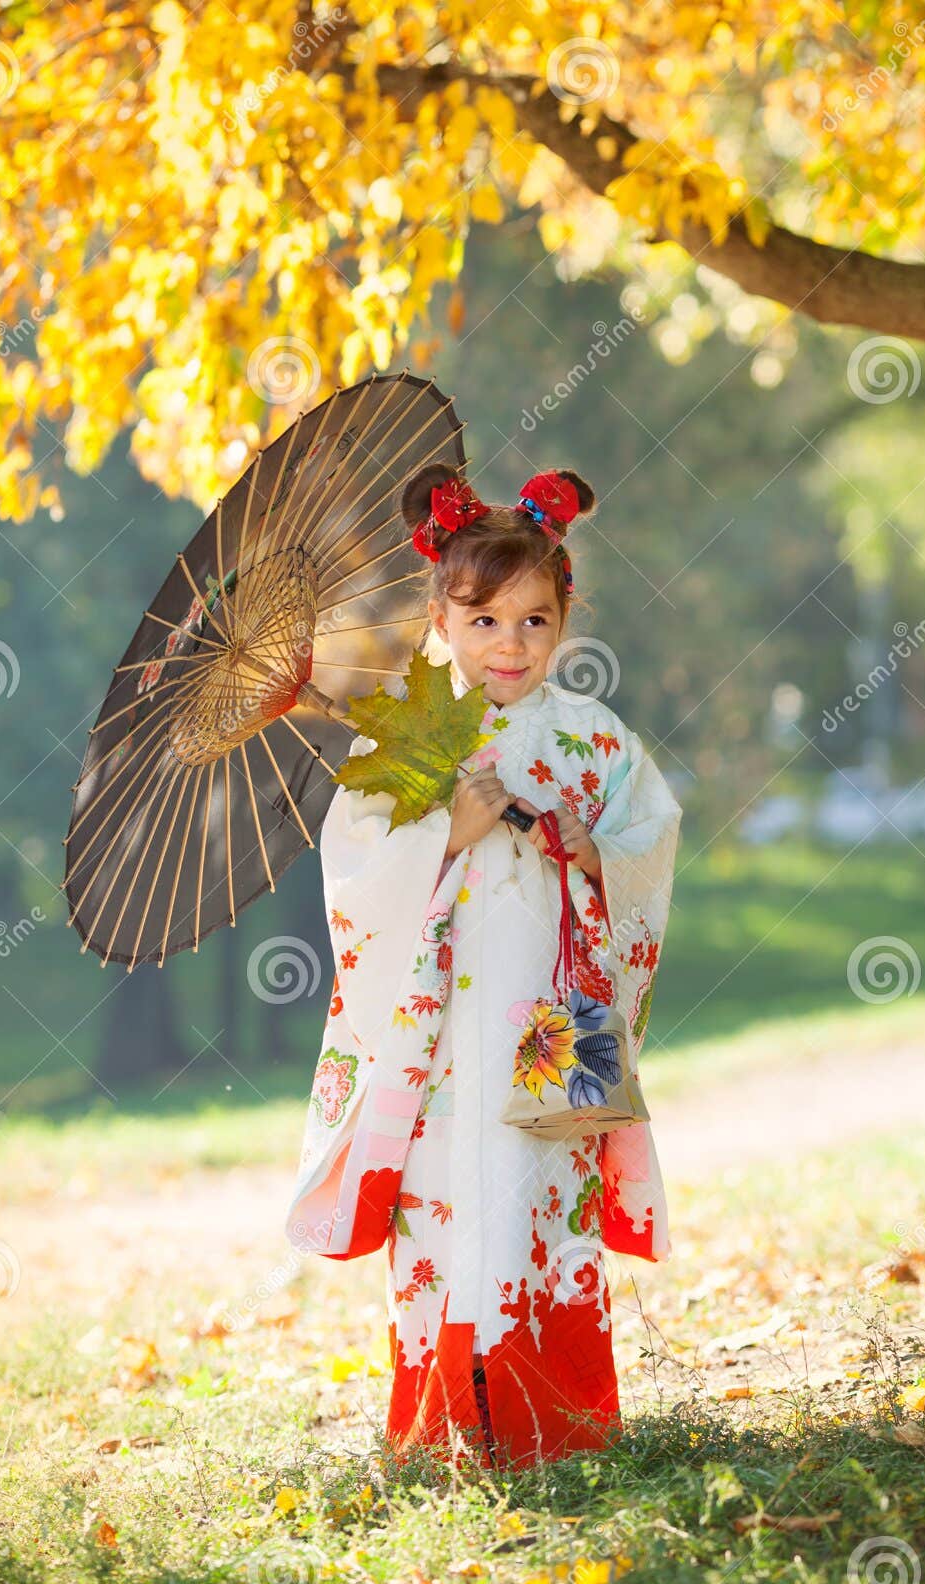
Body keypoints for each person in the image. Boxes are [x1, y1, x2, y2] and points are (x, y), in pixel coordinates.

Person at [284, 462, 683, 1471]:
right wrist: (445, 832)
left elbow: (650, 835)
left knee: (544, 1191)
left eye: (534, 622)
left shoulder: (592, 740)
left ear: (563, 619)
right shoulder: (404, 733)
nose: (510, 646)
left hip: (548, 1011)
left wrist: (588, 845)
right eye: (484, 621)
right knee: (442, 1197)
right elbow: (356, 875)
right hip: (441, 1024)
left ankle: (557, 1418)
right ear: (439, 613)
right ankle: (442, 1420)